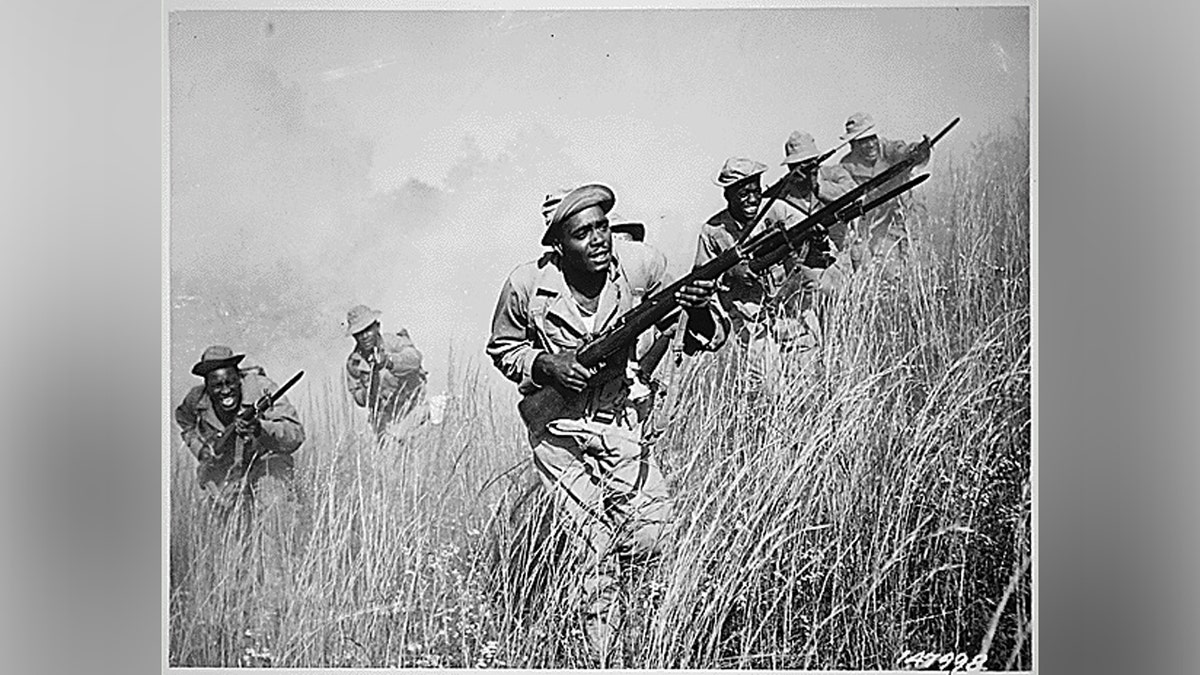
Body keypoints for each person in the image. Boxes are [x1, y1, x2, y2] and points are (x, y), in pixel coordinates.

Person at [487, 183, 728, 665]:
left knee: (650, 536)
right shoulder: (526, 286)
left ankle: (652, 641)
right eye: (583, 233)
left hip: (622, 420)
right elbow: (502, 347)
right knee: (591, 557)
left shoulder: (642, 266)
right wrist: (545, 365)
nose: (598, 239)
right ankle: (606, 660)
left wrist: (698, 304)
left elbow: (704, 334)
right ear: (559, 245)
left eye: (601, 227)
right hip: (559, 436)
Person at [694, 157, 829, 394]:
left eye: (756, 191)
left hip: (791, 311)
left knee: (810, 383)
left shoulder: (778, 210)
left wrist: (818, 240)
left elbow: (813, 248)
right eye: (744, 194)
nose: (753, 199)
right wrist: (731, 272)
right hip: (751, 319)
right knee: (769, 389)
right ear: (728, 195)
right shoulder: (713, 231)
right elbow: (701, 280)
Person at [175, 345, 305, 504]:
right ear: (207, 387)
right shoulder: (196, 398)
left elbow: (295, 435)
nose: (225, 391)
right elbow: (183, 418)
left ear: (239, 377)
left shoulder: (262, 388)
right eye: (217, 385)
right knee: (216, 515)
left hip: (266, 462)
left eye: (230, 382)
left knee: (274, 501)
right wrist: (200, 449)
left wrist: (260, 428)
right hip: (226, 469)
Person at [838, 112, 932, 268]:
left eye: (872, 138)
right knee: (877, 265)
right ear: (853, 144)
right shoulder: (847, 166)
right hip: (872, 224)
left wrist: (918, 150)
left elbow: (905, 152)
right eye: (863, 141)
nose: (870, 145)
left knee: (915, 264)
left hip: (901, 216)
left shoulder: (889, 149)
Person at [343, 304, 427, 439]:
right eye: (359, 333)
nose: (364, 336)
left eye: (368, 330)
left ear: (377, 327)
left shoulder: (393, 342)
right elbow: (359, 398)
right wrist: (370, 387)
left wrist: (389, 361)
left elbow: (415, 358)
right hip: (385, 422)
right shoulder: (355, 363)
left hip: (414, 409)